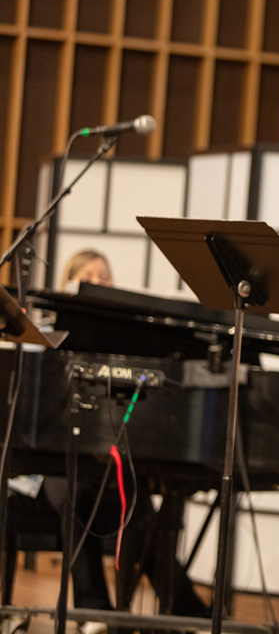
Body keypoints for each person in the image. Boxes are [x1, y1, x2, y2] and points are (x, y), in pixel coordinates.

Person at [43, 249, 210, 633]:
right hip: (52, 463)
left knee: (137, 504)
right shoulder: (52, 338)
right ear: (69, 282)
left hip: (104, 465)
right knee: (70, 490)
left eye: (105, 276)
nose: (99, 282)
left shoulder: (124, 346)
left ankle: (185, 608)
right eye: (89, 275)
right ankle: (93, 609)